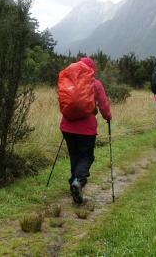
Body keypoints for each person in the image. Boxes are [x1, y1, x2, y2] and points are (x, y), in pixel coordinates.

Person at [60, 56, 112, 204]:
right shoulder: (95, 84)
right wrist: (107, 117)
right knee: (87, 156)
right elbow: (103, 105)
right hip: (86, 129)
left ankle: (74, 182)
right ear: (92, 69)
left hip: (67, 126)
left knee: (74, 154)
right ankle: (78, 181)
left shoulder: (69, 82)